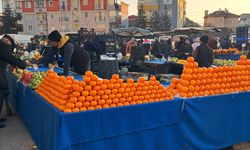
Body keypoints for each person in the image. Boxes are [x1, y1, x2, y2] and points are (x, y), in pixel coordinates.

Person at [0, 35, 27, 128]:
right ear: (8, 42)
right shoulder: (3, 46)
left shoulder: (2, 46)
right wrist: (22, 64)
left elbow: (8, 58)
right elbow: (10, 57)